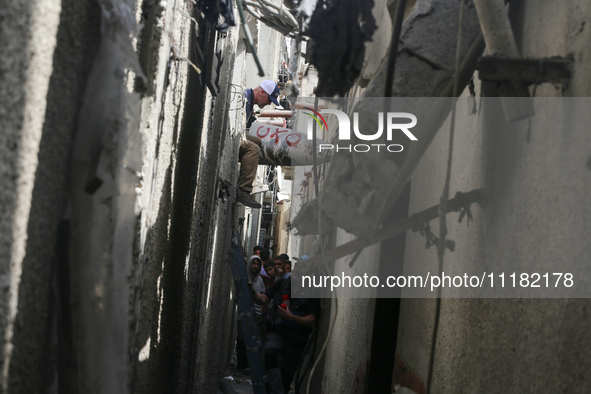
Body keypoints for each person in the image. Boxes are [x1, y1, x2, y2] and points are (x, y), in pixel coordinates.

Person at [251, 263, 319, 394]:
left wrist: (291, 316)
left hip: (295, 341)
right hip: (277, 332)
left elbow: (312, 320)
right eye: (298, 268)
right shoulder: (284, 283)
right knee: (270, 354)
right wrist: (252, 292)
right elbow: (263, 298)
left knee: (286, 377)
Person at [236, 80, 280, 209]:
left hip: (239, 135)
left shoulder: (249, 103)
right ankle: (243, 191)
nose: (269, 103)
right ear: (262, 92)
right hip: (233, 135)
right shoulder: (244, 98)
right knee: (253, 148)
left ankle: (245, 175)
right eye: (269, 99)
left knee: (257, 142)